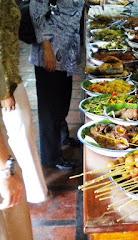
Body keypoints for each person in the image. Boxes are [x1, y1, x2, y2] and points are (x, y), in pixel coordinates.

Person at [0, 0, 49, 203]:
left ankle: (35, 191)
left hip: (12, 76)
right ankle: (35, 192)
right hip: (7, 82)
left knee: (23, 134)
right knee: (22, 136)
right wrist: (5, 92)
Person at [29, 0, 84, 170]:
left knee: (62, 99)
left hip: (66, 52)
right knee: (50, 109)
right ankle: (51, 157)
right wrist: (47, 50)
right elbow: (37, 13)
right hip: (51, 52)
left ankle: (62, 137)